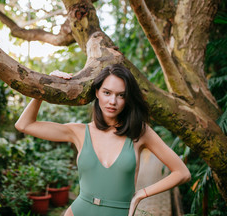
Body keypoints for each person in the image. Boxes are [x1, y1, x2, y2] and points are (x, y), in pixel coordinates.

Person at [15, 64, 190, 216]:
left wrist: (141, 194)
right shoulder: (78, 132)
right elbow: (24, 125)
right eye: (107, 92)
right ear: (97, 92)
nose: (112, 101)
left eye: (121, 95)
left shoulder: (139, 132)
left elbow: (182, 173)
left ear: (128, 98)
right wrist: (46, 84)